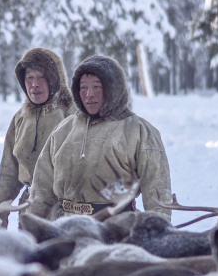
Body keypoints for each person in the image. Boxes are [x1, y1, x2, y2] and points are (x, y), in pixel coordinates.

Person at [27, 54, 172, 220]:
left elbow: (157, 193)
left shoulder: (139, 131)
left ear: (113, 89)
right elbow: (41, 189)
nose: (89, 94)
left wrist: (157, 229)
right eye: (83, 87)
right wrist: (34, 226)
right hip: (67, 228)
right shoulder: (63, 130)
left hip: (117, 229)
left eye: (97, 87)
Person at [0, 48, 75, 226]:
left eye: (41, 76)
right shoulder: (20, 118)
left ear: (55, 79)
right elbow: (9, 172)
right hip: (29, 209)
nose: (35, 84)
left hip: (66, 211)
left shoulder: (74, 115)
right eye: (29, 77)